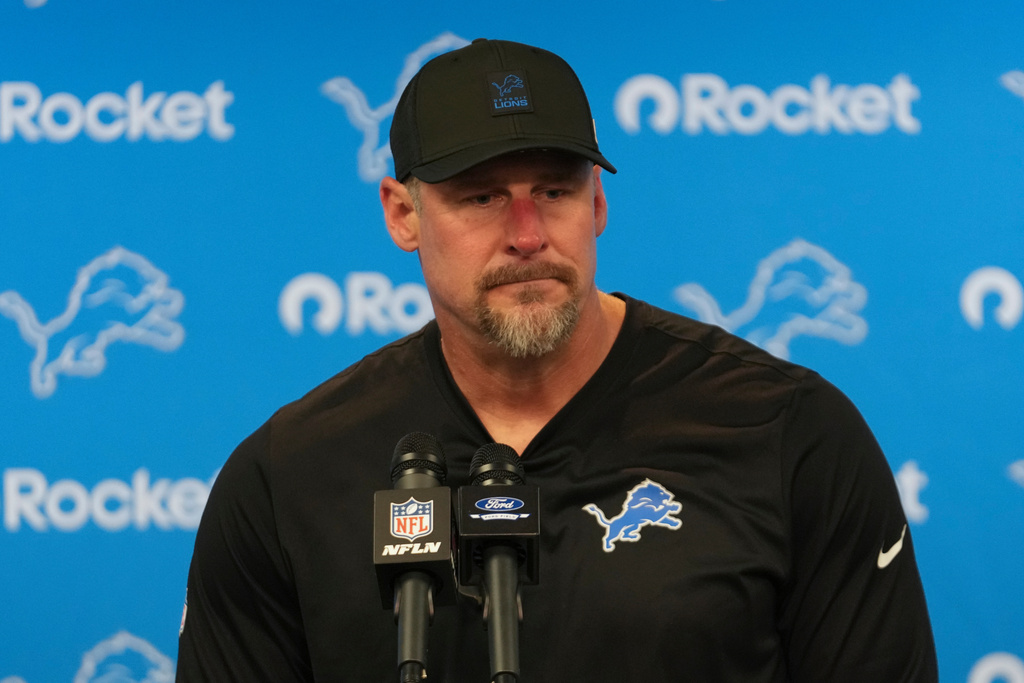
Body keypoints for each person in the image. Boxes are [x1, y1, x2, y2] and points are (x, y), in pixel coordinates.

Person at [176, 38, 938, 681]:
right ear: (403, 214)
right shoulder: (290, 476)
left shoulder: (789, 433)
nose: (528, 233)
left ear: (598, 205)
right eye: (481, 197)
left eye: (555, 190)